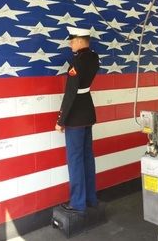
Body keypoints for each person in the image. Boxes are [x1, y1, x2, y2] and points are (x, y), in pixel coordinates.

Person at [55, 26, 99, 214]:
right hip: (87, 113)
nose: (70, 44)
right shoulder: (93, 57)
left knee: (75, 160)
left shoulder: (77, 62)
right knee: (87, 157)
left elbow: (71, 93)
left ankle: (77, 203)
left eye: (72, 41)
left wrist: (60, 120)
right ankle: (90, 199)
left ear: (80, 40)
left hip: (75, 117)